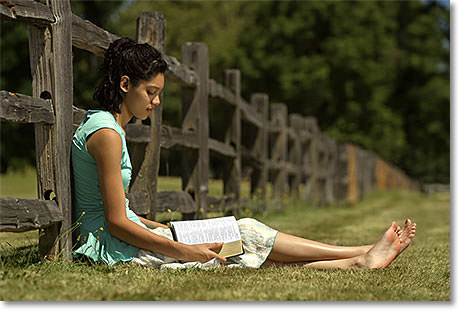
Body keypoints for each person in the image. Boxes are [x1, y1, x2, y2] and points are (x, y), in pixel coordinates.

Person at [71, 37, 416, 270]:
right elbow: (115, 221)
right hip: (113, 249)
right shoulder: (106, 134)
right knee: (243, 238)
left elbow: (123, 213)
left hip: (124, 237)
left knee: (241, 240)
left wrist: (164, 229)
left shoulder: (107, 127)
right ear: (125, 84)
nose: (157, 102)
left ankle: (360, 257)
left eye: (159, 93)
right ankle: (359, 257)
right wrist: (183, 249)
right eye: (151, 92)